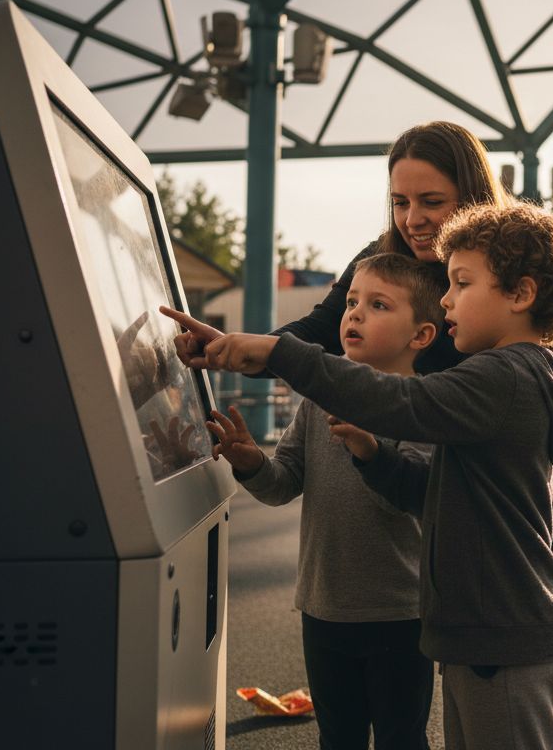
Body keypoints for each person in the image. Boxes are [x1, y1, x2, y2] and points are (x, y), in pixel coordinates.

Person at [172, 121, 553, 749]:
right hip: (465, 426)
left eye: (432, 201)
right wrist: (236, 348)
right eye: (399, 201)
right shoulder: (392, 258)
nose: (413, 218)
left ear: (471, 197)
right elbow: (322, 328)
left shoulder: (522, 257)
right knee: (460, 517)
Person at [192, 253, 445, 750]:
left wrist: (370, 451)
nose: (355, 314)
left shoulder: (422, 406)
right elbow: (282, 484)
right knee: (338, 737)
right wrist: (249, 461)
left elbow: (414, 499)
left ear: (420, 335)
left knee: (401, 738)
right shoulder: (317, 400)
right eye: (351, 302)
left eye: (378, 305)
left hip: (399, 614)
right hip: (323, 608)